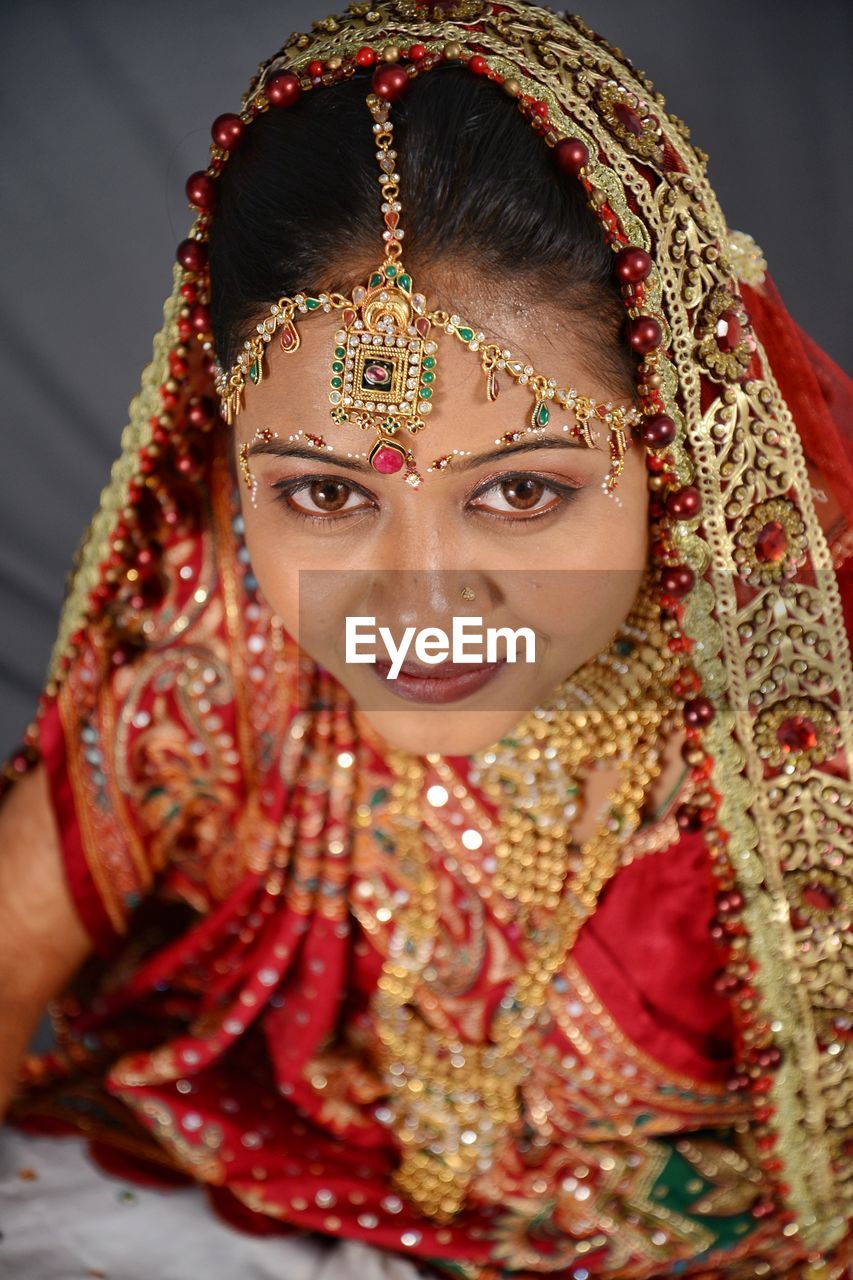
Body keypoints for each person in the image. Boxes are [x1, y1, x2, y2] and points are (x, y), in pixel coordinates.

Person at [0, 1, 850, 1277]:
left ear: (671, 442)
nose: (414, 603)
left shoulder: (805, 727)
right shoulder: (217, 638)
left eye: (520, 490)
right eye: (326, 493)